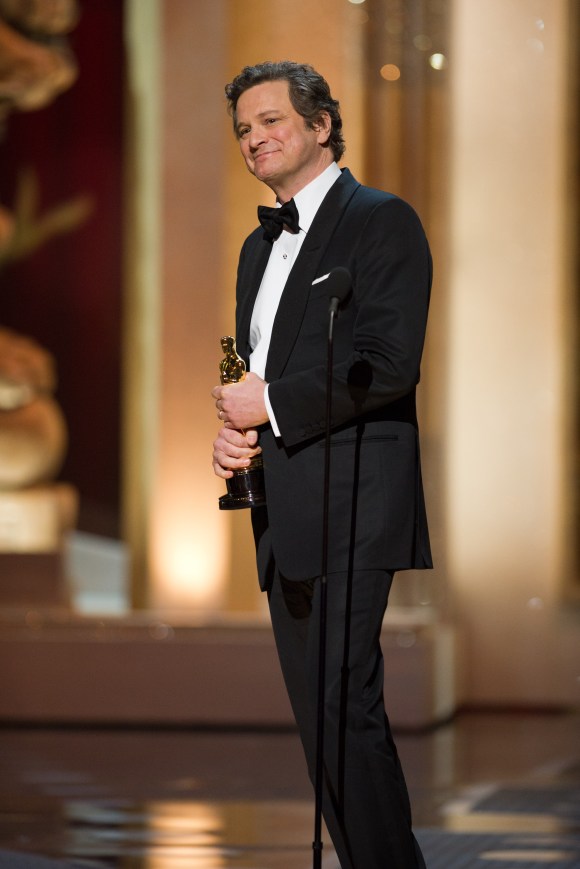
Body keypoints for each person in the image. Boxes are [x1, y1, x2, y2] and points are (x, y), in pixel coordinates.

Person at [211, 61, 432, 869]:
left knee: (344, 705)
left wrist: (268, 405)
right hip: (284, 506)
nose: (254, 138)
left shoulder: (381, 221)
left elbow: (388, 363)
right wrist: (236, 435)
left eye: (271, 120)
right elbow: (258, 377)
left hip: (354, 499)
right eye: (244, 128)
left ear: (321, 125)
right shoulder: (255, 248)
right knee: (321, 718)